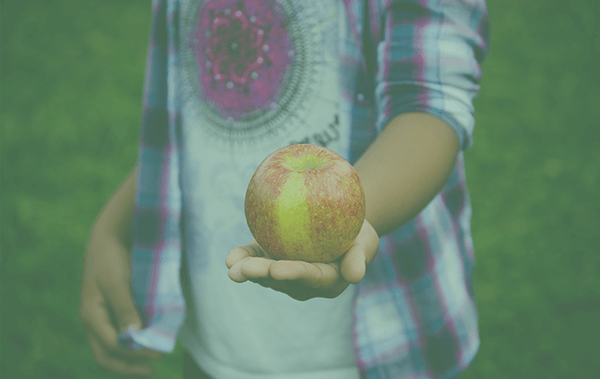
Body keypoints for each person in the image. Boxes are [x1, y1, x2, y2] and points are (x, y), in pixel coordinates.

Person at [79, 0, 490, 378]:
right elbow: (196, 109)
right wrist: (114, 224)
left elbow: (429, 100)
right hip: (217, 331)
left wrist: (349, 219)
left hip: (373, 341)